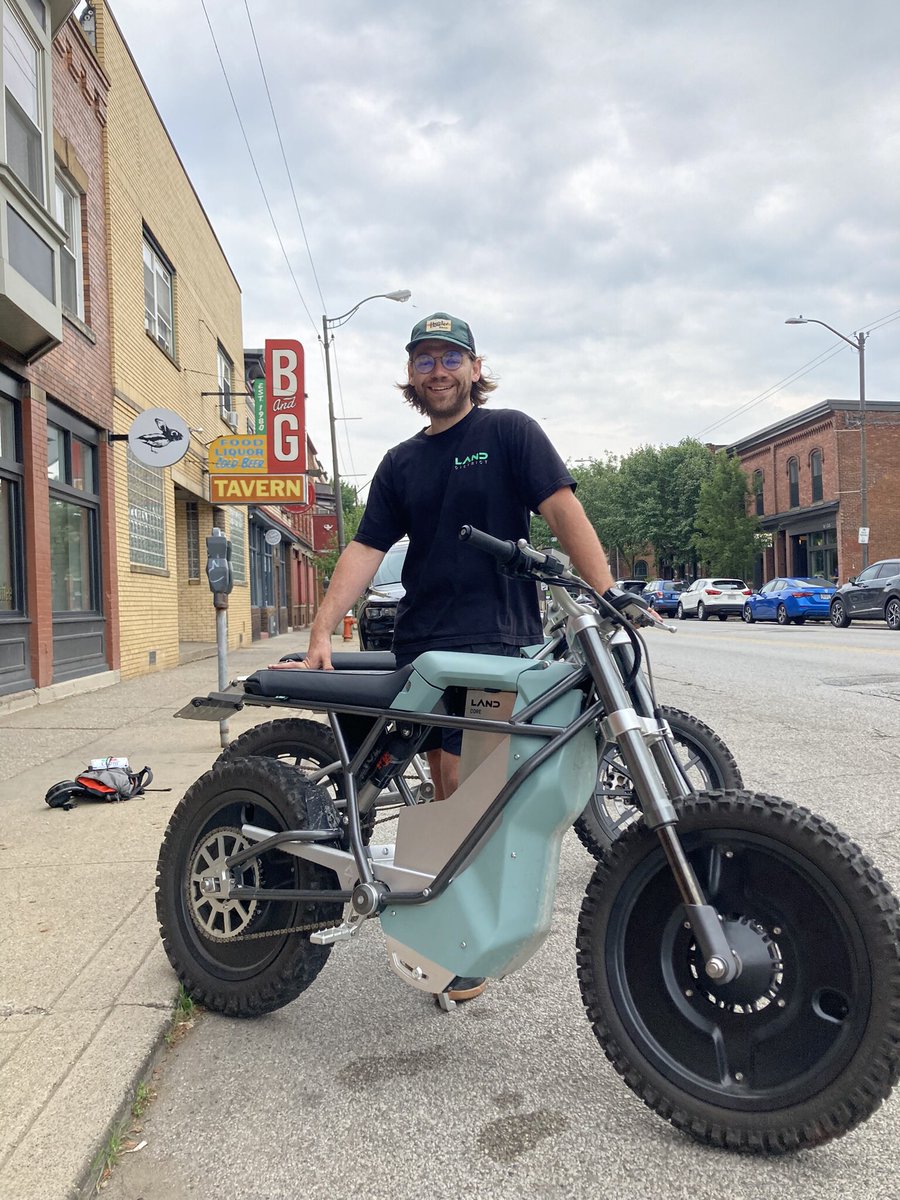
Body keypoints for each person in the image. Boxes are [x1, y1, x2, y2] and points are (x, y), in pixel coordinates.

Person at [302, 311, 617, 1002]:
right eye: (424, 360)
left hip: (502, 646)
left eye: (451, 358)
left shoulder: (508, 433)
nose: (438, 370)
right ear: (411, 375)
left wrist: (609, 592)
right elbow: (364, 552)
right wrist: (324, 627)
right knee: (450, 794)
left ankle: (466, 928)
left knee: (489, 800)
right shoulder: (400, 463)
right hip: (426, 649)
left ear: (476, 369)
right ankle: (451, 935)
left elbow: (562, 510)